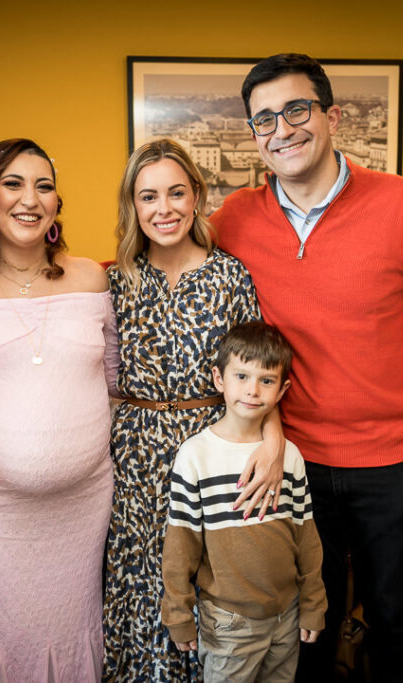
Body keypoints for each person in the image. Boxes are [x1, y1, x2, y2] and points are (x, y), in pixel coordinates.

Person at [211, 53, 403, 682]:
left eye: (297, 109)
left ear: (332, 116)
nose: (282, 129)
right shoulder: (234, 219)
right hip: (294, 458)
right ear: (254, 134)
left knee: (394, 614)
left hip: (393, 459)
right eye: (264, 119)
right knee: (307, 617)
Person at [0, 138, 118, 681]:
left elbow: (113, 379)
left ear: (57, 204)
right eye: (13, 184)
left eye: (43, 186)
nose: (29, 199)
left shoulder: (89, 278)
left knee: (74, 620)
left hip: (82, 502)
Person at [102, 139, 283, 681]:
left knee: (210, 576)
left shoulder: (230, 276)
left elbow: (258, 372)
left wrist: (273, 440)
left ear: (198, 196)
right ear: (132, 206)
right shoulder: (114, 281)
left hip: (214, 446)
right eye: (149, 196)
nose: (165, 209)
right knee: (141, 580)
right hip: (134, 452)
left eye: (177, 193)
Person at [161, 322, 327, 682]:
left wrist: (314, 603)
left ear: (283, 389)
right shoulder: (195, 456)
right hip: (229, 624)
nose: (252, 391)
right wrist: (177, 614)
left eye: (266, 381)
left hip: (288, 618)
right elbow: (180, 548)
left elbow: (307, 539)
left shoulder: (290, 457)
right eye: (242, 376)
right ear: (220, 379)